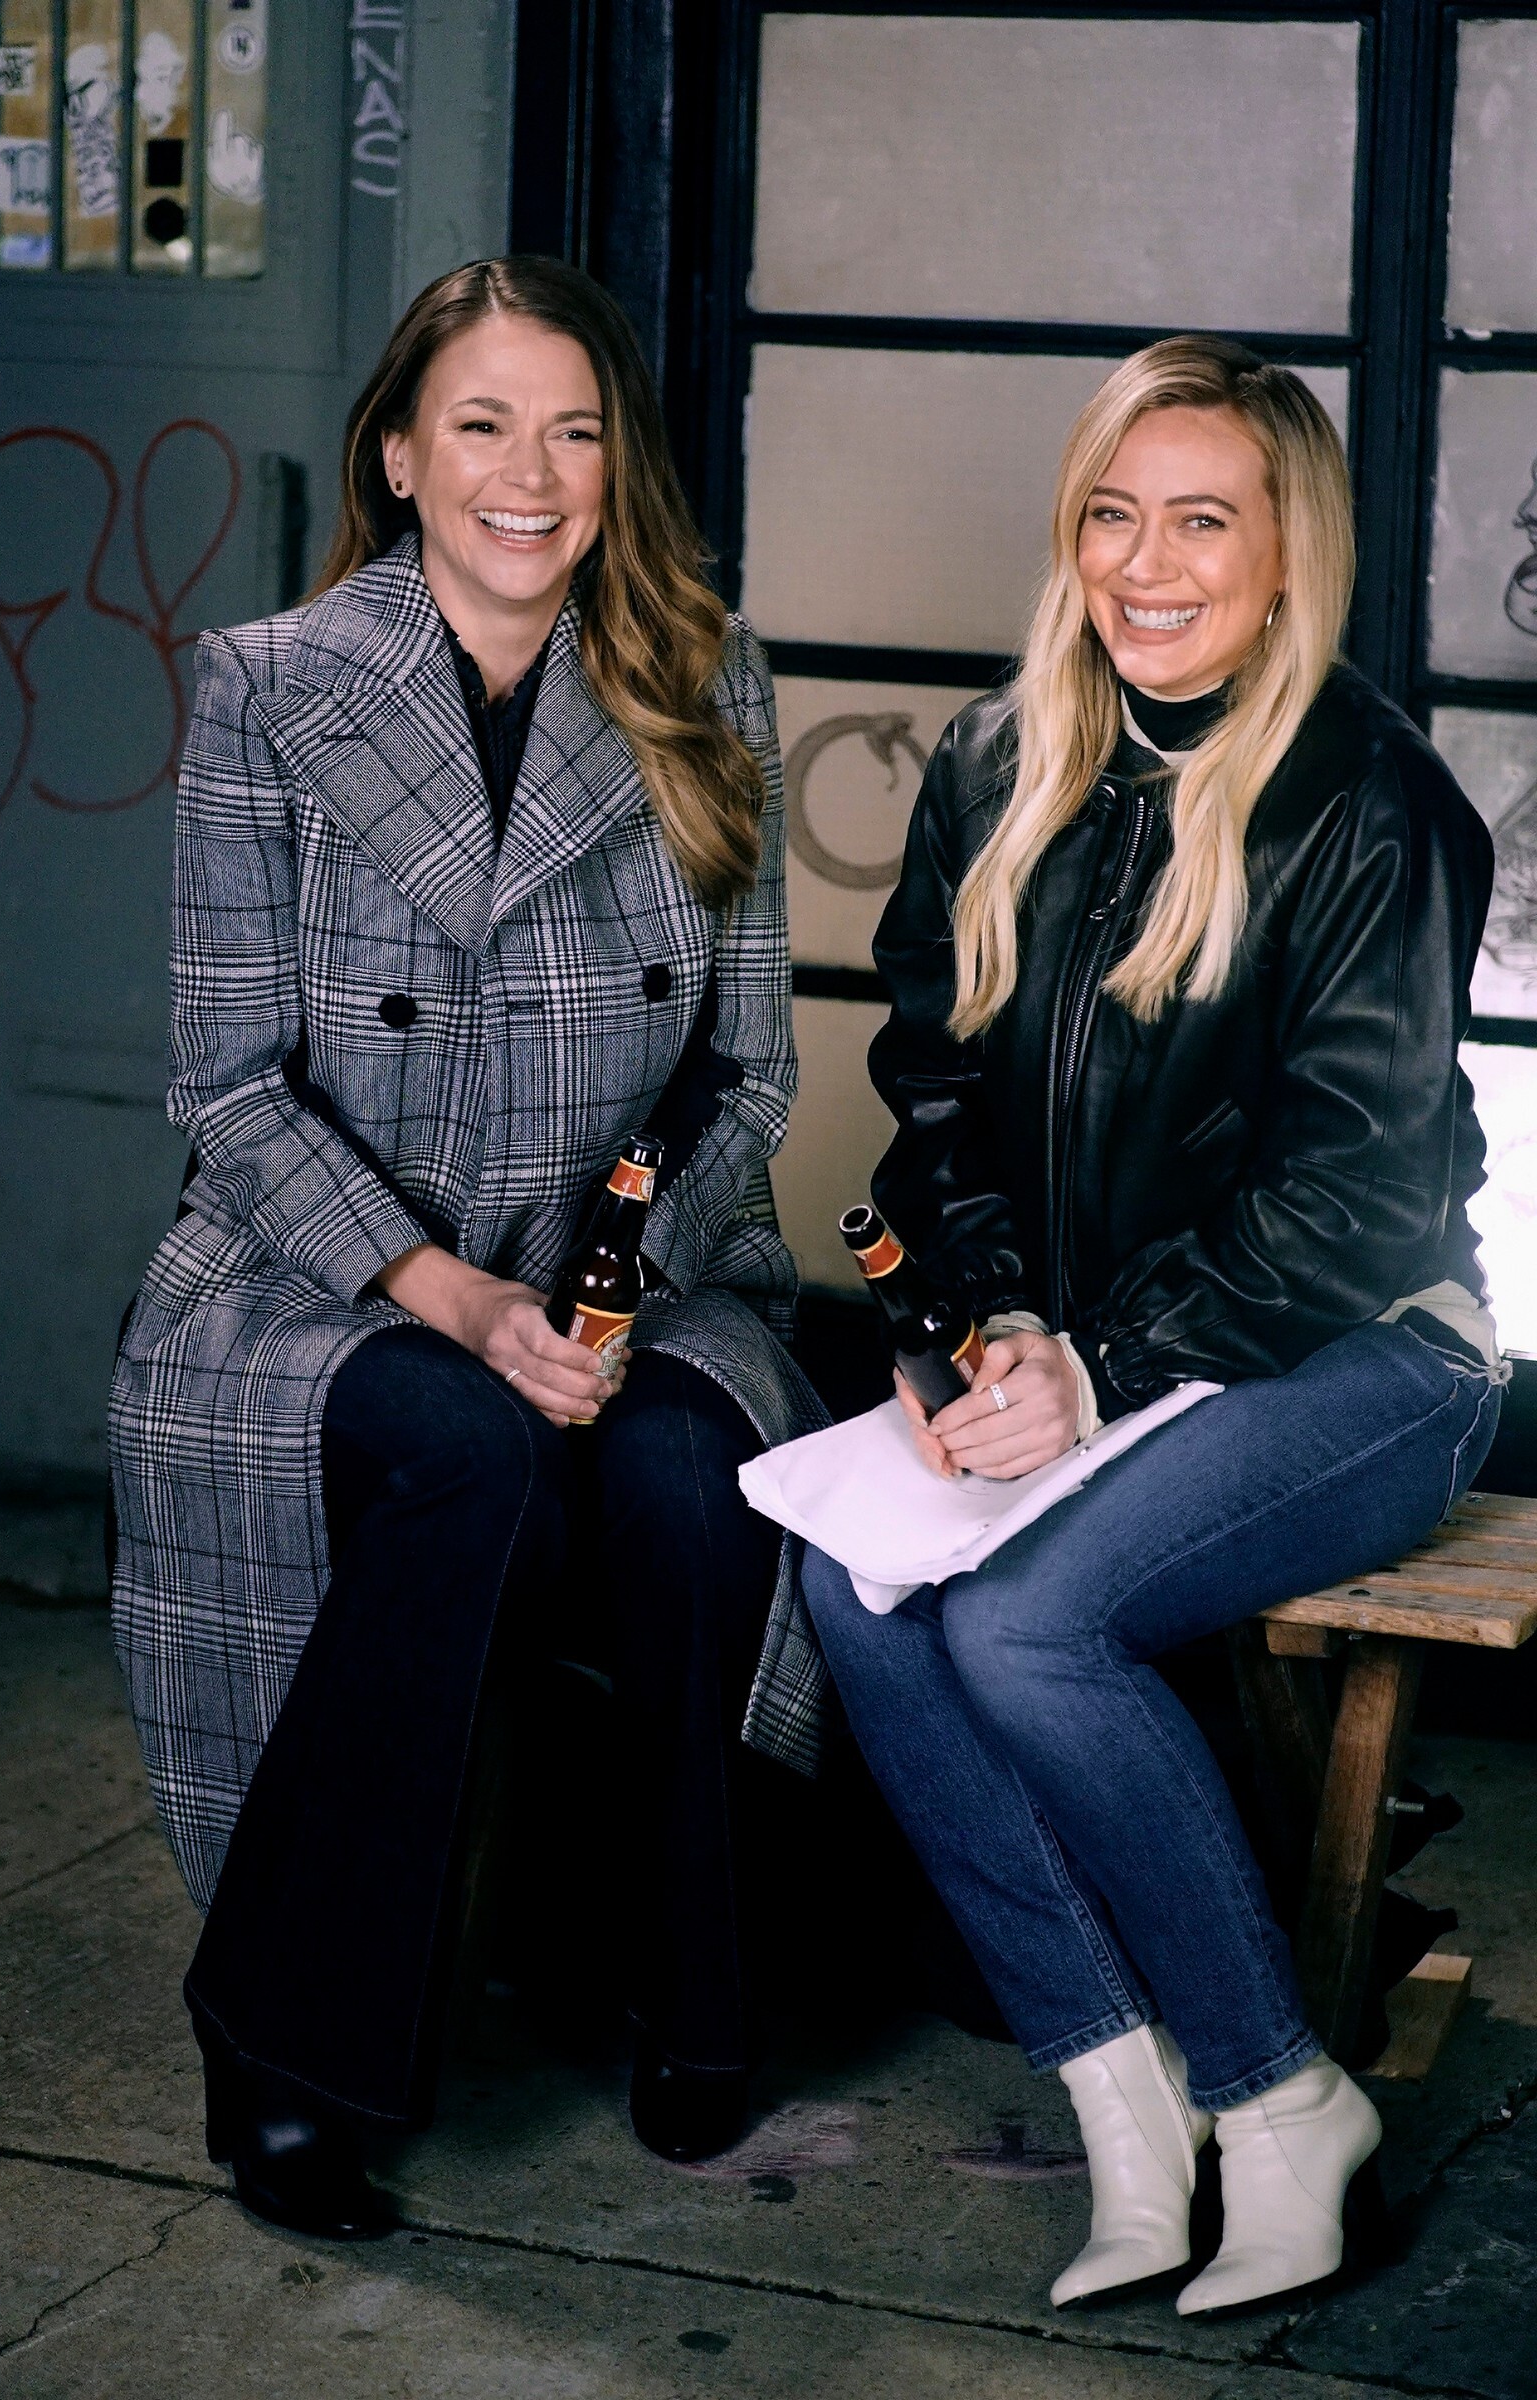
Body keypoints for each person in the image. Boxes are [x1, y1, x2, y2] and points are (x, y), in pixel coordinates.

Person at [108, 256, 827, 2240]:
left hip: (632, 1267)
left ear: (617, 466)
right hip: (314, 1282)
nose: (533, 471)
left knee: (688, 1472)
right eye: (484, 424)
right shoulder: (269, 690)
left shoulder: (709, 684)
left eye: (575, 430)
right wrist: (452, 1295)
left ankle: (684, 1991)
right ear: (402, 458)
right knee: (473, 1453)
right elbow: (228, 1084)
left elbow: (746, 1071)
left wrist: (603, 1291)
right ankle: (288, 2051)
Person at [802, 337, 1505, 2317]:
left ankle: (1277, 2101)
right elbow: (936, 1103)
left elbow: (1348, 1199)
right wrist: (997, 1327)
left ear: (1285, 555)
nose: (1144, 563)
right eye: (1111, 514)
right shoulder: (993, 764)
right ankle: (1117, 2095)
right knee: (859, 1584)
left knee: (1024, 1623)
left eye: (1200, 521)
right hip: (1092, 1344)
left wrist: (1093, 1364)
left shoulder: (1369, 802)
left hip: (1369, 1353)